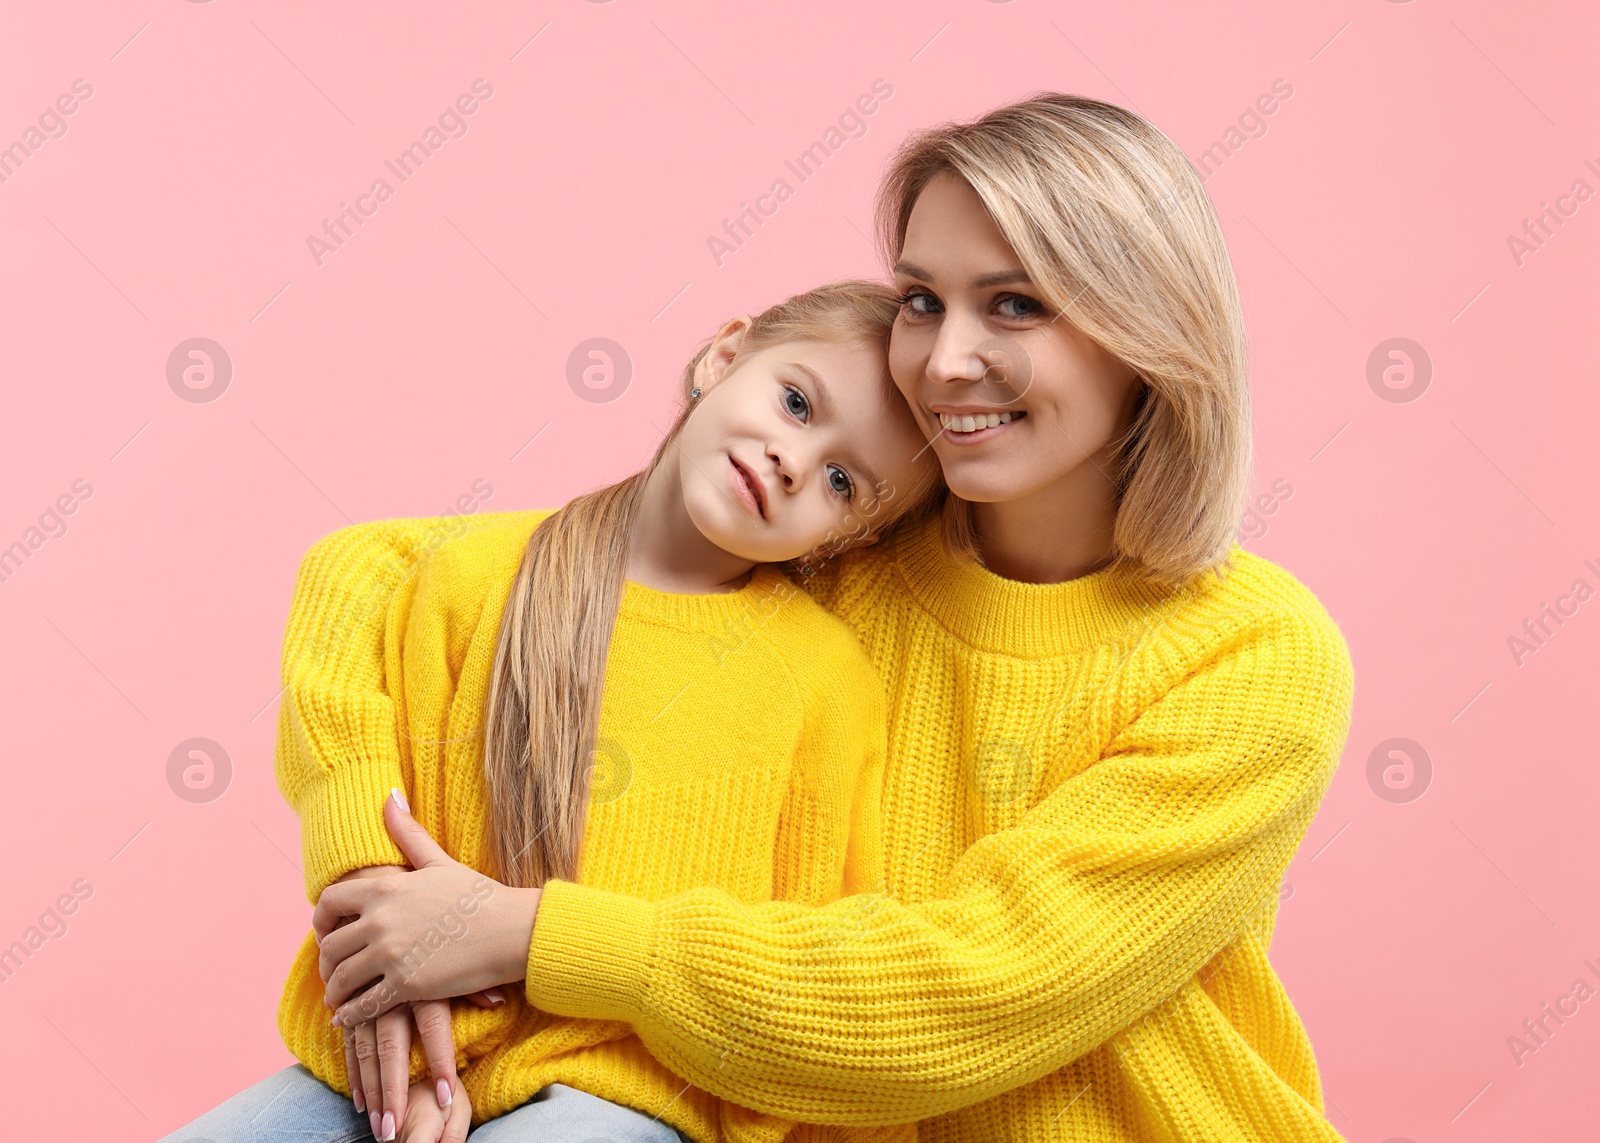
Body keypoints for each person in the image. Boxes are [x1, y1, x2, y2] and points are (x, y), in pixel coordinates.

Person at [183, 92, 1359, 1143]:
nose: (944, 362)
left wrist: (529, 934)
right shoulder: (838, 547)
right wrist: (375, 892)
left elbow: (980, 985)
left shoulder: (1251, 653)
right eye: (919, 298)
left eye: (1013, 305)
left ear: (1149, 339)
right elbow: (395, 574)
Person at [158, 280, 943, 1143]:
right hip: (394, 1063)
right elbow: (397, 850)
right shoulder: (469, 582)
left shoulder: (824, 684)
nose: (796, 459)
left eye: (841, 480)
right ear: (725, 354)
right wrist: (425, 1066)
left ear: (851, 538)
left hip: (630, 1099)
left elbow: (810, 950)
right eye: (795, 401)